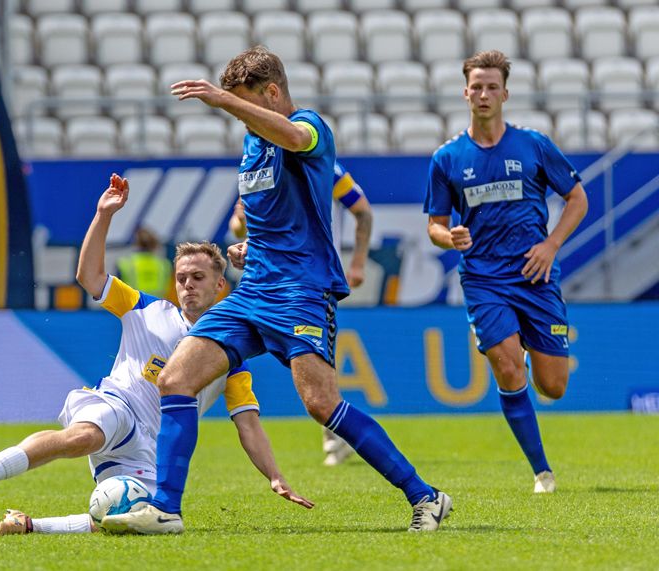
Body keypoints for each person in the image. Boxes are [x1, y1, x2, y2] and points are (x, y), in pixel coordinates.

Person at [101, 46, 451, 536]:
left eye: (247, 103)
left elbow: (292, 136)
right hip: (252, 292)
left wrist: (223, 101)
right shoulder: (251, 146)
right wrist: (248, 249)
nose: (241, 116)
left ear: (271, 92)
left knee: (321, 405)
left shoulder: (309, 127)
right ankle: (165, 508)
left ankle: (426, 496)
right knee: (175, 379)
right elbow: (275, 219)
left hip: (301, 291)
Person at [0, 173, 312, 535]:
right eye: (182, 277)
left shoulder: (230, 356)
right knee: (83, 437)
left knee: (133, 517)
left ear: (220, 285)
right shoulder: (145, 308)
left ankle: (28, 526)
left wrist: (275, 476)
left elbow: (247, 423)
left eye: (198, 278)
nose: (187, 285)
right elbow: (90, 277)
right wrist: (103, 215)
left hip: (147, 450)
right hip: (115, 405)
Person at [423, 50, 589, 494]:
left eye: (492, 86)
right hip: (483, 278)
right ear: (465, 93)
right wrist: (448, 237)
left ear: (505, 94)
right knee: (508, 368)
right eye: (476, 86)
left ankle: (533, 344)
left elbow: (578, 198)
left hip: (535, 275)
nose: (483, 94)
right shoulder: (447, 157)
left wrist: (551, 245)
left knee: (552, 386)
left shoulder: (533, 144)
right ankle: (542, 473)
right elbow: (434, 226)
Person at [228, 161, 374, 466]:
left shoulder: (322, 167)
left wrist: (358, 262)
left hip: (309, 278)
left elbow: (362, 210)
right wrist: (242, 232)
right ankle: (335, 431)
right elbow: (237, 225)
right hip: (265, 280)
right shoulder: (257, 166)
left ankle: (335, 432)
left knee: (313, 358)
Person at [117, 226, 172, 299]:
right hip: (157, 305)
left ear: (136, 243)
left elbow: (117, 289)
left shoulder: (125, 264)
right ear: (154, 244)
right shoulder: (164, 264)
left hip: (134, 306)